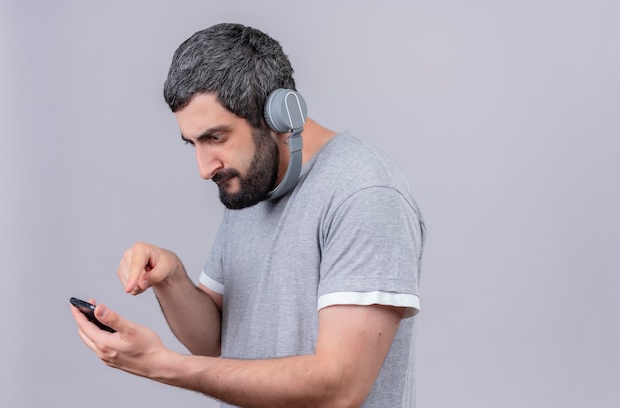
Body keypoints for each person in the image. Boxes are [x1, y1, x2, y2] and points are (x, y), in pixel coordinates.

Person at [71, 22, 426, 408]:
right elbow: (217, 341)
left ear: (280, 113)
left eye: (216, 137)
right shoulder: (250, 183)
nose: (205, 168)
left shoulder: (364, 193)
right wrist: (171, 278)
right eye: (193, 143)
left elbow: (340, 387)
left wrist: (165, 366)